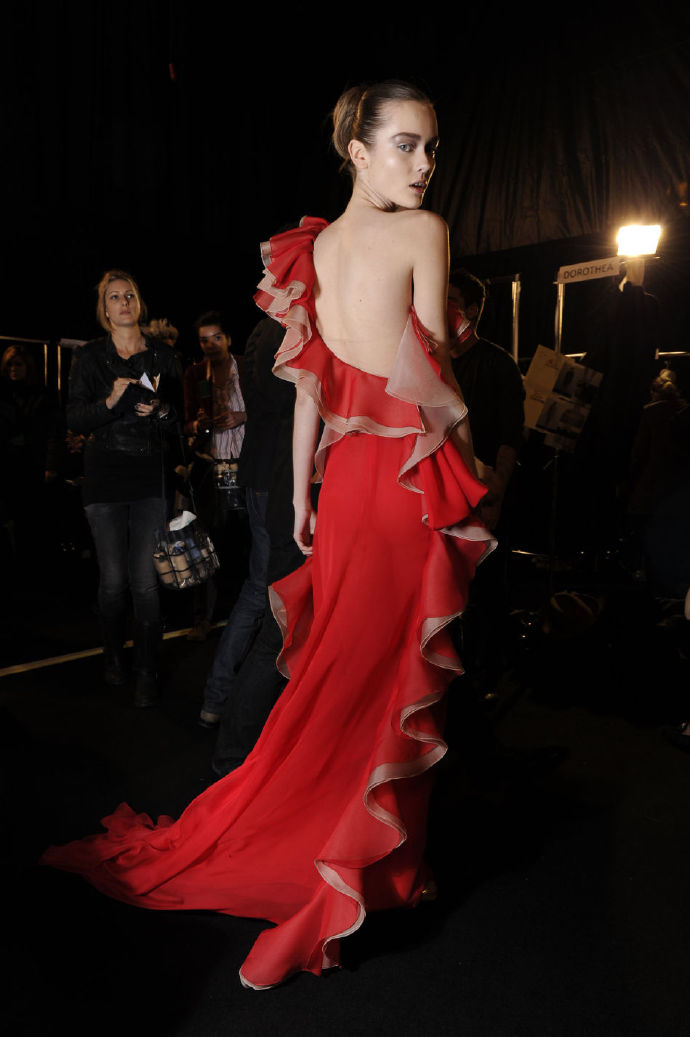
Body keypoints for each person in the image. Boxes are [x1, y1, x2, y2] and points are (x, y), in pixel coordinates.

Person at [42, 81, 494, 989]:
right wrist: (470, 474)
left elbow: (309, 387)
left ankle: (353, 849)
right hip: (403, 475)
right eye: (406, 145)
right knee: (385, 675)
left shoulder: (314, 249)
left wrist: (300, 496)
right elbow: (435, 376)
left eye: (431, 149)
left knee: (343, 671)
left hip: (345, 480)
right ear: (357, 152)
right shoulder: (425, 232)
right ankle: (370, 866)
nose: (424, 165)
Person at [64, 269, 183, 706]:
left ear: (139, 302)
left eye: (129, 294)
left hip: (150, 475)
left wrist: (162, 410)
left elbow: (179, 422)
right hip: (104, 476)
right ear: (105, 308)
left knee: (145, 582)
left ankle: (147, 671)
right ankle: (113, 656)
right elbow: (75, 418)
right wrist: (111, 402)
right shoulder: (90, 356)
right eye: (114, 297)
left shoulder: (164, 356)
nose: (123, 302)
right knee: (113, 581)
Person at [197, 316, 288, 730]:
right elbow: (285, 404)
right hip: (274, 477)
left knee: (260, 589)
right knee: (269, 592)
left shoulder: (259, 335)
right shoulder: (282, 331)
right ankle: (235, 708)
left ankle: (219, 700)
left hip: (261, 473)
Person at [447, 269, 525, 702]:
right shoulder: (429, 362)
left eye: (450, 300)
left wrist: (496, 496)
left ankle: (487, 678)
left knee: (486, 591)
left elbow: (511, 437)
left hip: (481, 494)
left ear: (471, 310)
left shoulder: (497, 363)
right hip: (442, 497)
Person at [183, 311, 247, 641]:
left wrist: (241, 415)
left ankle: (258, 612)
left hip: (248, 467)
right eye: (204, 340)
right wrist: (199, 424)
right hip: (211, 467)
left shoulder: (247, 368)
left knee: (251, 542)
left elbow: (272, 409)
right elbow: (186, 423)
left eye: (217, 337)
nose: (211, 345)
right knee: (206, 546)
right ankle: (202, 617)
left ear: (229, 339)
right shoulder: (196, 374)